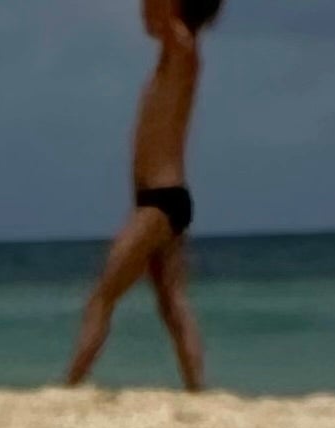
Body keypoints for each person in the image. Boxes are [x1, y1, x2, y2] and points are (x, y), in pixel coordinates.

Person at [65, 0, 223, 393]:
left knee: (102, 296)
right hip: (163, 201)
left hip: (159, 202)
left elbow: (163, 17)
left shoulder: (183, 48)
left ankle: (70, 386)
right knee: (172, 305)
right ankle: (197, 390)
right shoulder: (175, 59)